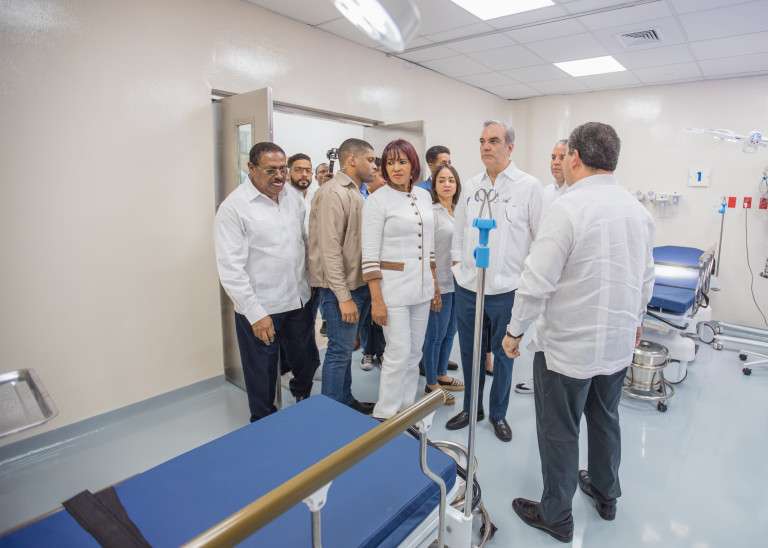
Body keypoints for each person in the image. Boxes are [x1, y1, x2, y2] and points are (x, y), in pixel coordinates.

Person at [502, 122, 655, 543]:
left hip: (567, 350)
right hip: (617, 345)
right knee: (605, 419)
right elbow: (646, 278)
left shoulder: (567, 209)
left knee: (559, 430)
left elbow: (536, 282)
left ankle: (556, 515)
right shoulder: (638, 211)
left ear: (574, 157)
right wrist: (637, 321)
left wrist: (515, 330)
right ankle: (606, 494)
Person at [446, 120, 544, 442]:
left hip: (507, 289)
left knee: (503, 355)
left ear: (510, 147)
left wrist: (526, 281)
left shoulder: (528, 187)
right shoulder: (471, 186)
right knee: (470, 351)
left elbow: (540, 240)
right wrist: (459, 266)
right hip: (468, 287)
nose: (486, 147)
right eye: (482, 141)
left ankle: (498, 413)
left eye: (493, 141)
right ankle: (471, 408)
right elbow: (460, 232)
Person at [214, 142, 318, 422]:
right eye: (271, 170)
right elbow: (231, 269)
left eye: (283, 169)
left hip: (298, 299)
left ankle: (302, 398)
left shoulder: (292, 197)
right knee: (262, 372)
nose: (279, 176)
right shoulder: (234, 208)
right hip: (262, 307)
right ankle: (263, 423)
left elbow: (304, 241)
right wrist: (255, 314)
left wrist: (312, 283)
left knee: (306, 359)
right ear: (251, 168)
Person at [362, 139, 439, 419]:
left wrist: (434, 285)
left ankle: (406, 410)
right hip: (392, 291)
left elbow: (429, 246)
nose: (396, 168)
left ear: (412, 165)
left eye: (402, 162)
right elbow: (369, 254)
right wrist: (376, 300)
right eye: (390, 162)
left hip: (422, 289)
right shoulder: (377, 200)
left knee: (415, 353)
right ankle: (384, 414)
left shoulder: (423, 196)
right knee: (397, 352)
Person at [309, 138, 377, 414]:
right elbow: (330, 250)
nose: (375, 166)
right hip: (341, 290)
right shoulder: (333, 193)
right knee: (338, 352)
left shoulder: (361, 192)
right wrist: (343, 297)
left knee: (346, 349)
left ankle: (345, 402)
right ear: (352, 160)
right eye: (370, 160)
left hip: (360, 285)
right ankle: (331, 417)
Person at [515, 138, 569, 395]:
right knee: (540, 327)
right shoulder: (545, 193)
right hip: (542, 267)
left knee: (559, 329)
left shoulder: (575, 195)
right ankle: (539, 379)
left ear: (574, 159)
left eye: (562, 157)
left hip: (565, 274)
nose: (556, 162)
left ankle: (557, 382)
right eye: (553, 157)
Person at [422, 163, 464, 405]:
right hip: (441, 283)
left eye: (451, 180)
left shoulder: (458, 211)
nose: (447, 184)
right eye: (441, 180)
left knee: (450, 332)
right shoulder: (432, 213)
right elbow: (427, 252)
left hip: (459, 283)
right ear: (434, 186)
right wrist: (434, 285)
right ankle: (431, 383)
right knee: (435, 335)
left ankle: (441, 374)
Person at [360, 158, 387, 371]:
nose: (384, 178)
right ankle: (367, 353)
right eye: (379, 173)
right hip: (365, 266)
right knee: (366, 316)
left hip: (384, 269)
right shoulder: (362, 197)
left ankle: (381, 351)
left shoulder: (388, 200)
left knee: (380, 314)